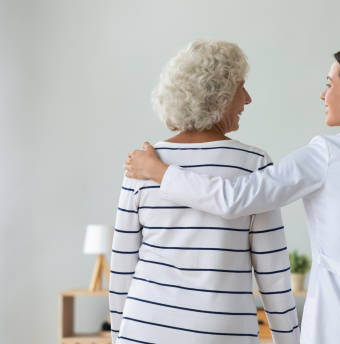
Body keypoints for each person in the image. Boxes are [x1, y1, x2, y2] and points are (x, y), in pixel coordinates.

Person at [126, 45, 340, 344]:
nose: (323, 94)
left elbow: (234, 198)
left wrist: (159, 171)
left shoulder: (331, 154)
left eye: (329, 84)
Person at [110, 40, 300, 344]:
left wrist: (120, 337)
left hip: (143, 327)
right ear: (219, 96)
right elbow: (273, 275)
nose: (248, 99)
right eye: (241, 88)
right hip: (220, 334)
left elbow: (121, 267)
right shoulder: (254, 165)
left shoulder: (141, 164)